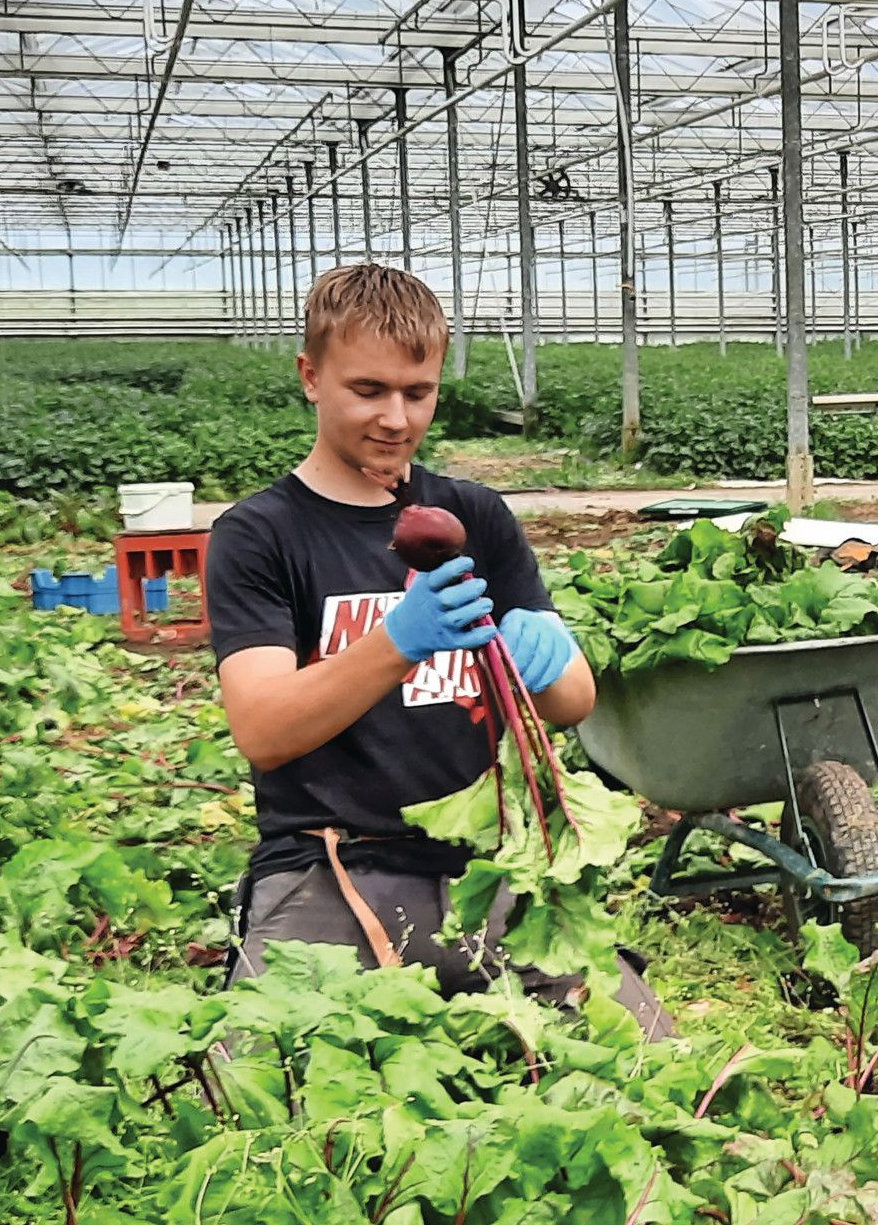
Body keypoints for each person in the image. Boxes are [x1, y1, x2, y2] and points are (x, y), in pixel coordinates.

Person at [206, 263, 668, 1032]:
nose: (396, 417)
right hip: (328, 864)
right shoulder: (261, 535)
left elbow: (574, 701)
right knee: (272, 1095)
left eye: (417, 393)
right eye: (368, 390)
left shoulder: (474, 516)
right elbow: (263, 727)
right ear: (311, 377)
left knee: (648, 1055)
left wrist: (547, 658)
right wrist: (398, 640)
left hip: (490, 868)